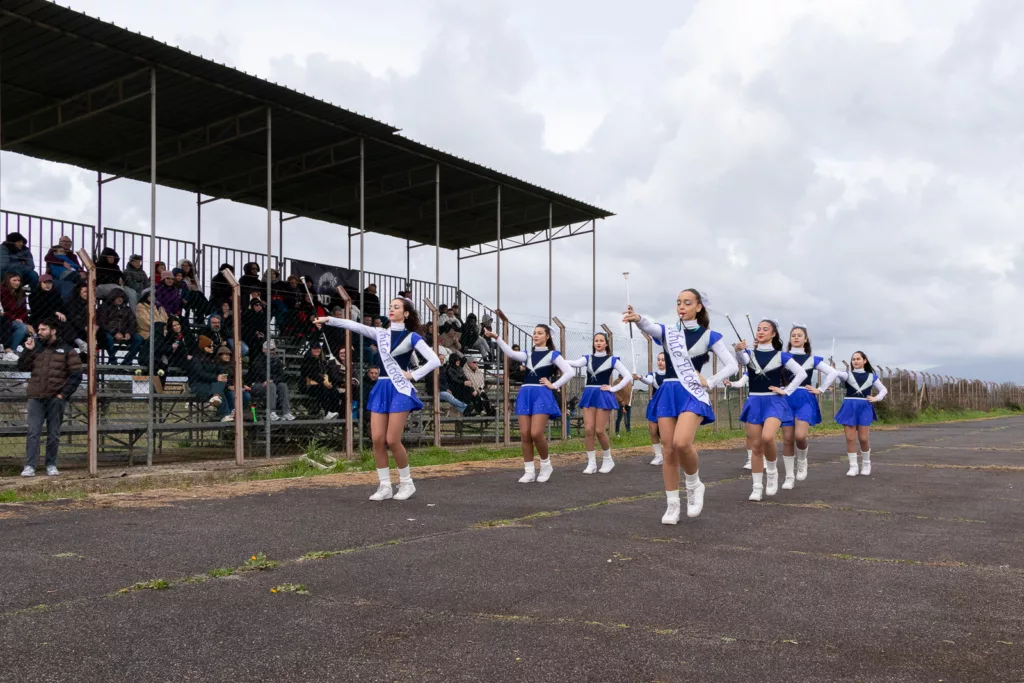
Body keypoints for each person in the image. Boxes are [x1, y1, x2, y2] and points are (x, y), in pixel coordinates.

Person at [624, 288, 738, 523]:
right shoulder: (670, 332)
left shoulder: (709, 336)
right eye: (678, 303)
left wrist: (710, 381)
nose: (681, 307)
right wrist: (639, 319)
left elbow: (732, 365)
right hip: (668, 392)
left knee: (682, 443)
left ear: (698, 307)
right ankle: (672, 505)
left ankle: (694, 484)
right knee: (668, 450)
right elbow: (650, 327)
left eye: (687, 302)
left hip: (692, 393)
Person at [315, 297, 441, 501]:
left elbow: (435, 360)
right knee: (377, 439)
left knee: (392, 440)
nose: (391, 309)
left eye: (396, 307)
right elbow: (354, 325)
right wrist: (329, 319)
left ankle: (407, 483)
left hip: (399, 389)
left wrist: (413, 375)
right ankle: (385, 486)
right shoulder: (381, 333)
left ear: (406, 313)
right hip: (381, 387)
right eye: (390, 307)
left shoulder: (412, 337)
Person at [484, 323, 575, 483]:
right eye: (534, 332)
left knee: (536, 433)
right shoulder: (528, 354)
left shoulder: (553, 354)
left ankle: (546, 465)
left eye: (540, 333)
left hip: (542, 394)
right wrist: (496, 337)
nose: (536, 335)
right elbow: (511, 353)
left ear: (547, 336)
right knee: (525, 434)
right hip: (525, 393)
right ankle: (529, 471)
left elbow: (570, 371)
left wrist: (554, 385)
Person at [733, 320, 808, 501]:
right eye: (759, 329)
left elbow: (802, 373)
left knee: (767, 437)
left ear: (773, 334)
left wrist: (786, 390)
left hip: (774, 401)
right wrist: (738, 350)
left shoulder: (781, 356)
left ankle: (772, 471)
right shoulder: (750, 354)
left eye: (765, 329)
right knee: (756, 446)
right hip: (754, 400)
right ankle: (757, 487)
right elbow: (741, 360)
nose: (761, 331)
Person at [18, 319, 83, 476]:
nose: (39, 332)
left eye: (43, 329)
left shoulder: (67, 349)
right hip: (36, 396)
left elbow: (76, 375)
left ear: (53, 331)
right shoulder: (36, 347)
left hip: (55, 398)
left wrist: (62, 395)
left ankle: (51, 464)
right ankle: (30, 466)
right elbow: (22, 367)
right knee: (33, 432)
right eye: (39, 329)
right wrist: (27, 350)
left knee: (53, 433)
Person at [563, 332, 632, 475]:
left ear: (606, 343)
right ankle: (591, 463)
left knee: (600, 430)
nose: (598, 343)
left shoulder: (612, 360)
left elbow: (628, 376)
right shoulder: (587, 358)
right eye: (596, 341)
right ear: (593, 343)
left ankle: (608, 459)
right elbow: (575, 363)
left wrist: (613, 388)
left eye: (601, 341)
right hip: (589, 394)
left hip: (603, 395)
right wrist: (557, 360)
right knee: (589, 430)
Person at [780, 325, 839, 488]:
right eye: (793, 335)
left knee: (800, 436)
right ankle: (789, 476)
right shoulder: (782, 357)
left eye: (799, 335)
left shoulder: (812, 359)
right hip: (785, 398)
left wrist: (820, 389)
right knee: (787, 438)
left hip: (805, 398)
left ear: (805, 339)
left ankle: (802, 460)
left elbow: (833, 373)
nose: (796, 337)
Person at [834, 351, 888, 477]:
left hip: (864, 407)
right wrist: (833, 370)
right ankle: (853, 466)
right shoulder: (847, 375)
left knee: (863, 439)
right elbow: (838, 374)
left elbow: (883, 390)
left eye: (858, 359)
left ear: (864, 360)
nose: (855, 361)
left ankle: (866, 463)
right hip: (849, 407)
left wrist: (876, 398)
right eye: (853, 359)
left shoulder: (871, 376)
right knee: (850, 438)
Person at [247, 340, 295, 421]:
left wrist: (272, 380)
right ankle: (270, 412)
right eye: (270, 349)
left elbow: (282, 376)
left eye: (273, 349)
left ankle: (286, 412)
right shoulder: (258, 360)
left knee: (282, 385)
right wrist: (271, 379)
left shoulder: (277, 360)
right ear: (264, 350)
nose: (272, 352)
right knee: (271, 385)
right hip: (256, 384)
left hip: (271, 383)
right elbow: (262, 375)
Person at [634, 352, 668, 466]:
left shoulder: (671, 375)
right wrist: (640, 377)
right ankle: (658, 456)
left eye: (663, 360)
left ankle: (670, 454)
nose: (660, 362)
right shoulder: (653, 374)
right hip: (655, 405)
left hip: (667, 405)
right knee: (653, 431)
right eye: (658, 359)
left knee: (665, 433)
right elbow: (648, 381)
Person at [97, 287, 144, 365]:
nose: (120, 299)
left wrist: (129, 332)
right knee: (108, 338)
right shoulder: (104, 307)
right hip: (109, 332)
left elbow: (133, 322)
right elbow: (102, 323)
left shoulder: (127, 309)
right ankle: (113, 360)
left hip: (125, 333)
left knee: (138, 338)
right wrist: (115, 333)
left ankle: (127, 361)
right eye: (117, 297)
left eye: (122, 298)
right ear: (112, 297)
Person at [187, 336, 228, 415]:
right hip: (198, 384)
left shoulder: (213, 358)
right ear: (203, 347)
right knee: (220, 391)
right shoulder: (196, 359)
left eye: (213, 346)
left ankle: (218, 399)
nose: (212, 348)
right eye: (209, 346)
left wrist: (222, 375)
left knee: (223, 386)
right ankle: (225, 414)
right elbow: (200, 374)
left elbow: (220, 369)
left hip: (212, 383)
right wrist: (216, 377)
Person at [301, 342, 342, 420]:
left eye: (318, 348)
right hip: (309, 385)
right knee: (323, 388)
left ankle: (333, 411)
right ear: (310, 349)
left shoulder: (322, 360)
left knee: (334, 389)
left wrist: (327, 381)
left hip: (321, 383)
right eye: (314, 349)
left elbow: (326, 372)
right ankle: (327, 413)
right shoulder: (307, 360)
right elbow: (311, 374)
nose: (317, 350)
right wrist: (323, 381)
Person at [724, 371, 755, 469]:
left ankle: (766, 459)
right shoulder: (751, 369)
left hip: (768, 401)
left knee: (765, 435)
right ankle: (750, 459)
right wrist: (731, 383)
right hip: (753, 402)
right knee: (750, 434)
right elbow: (741, 383)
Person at [1, 272, 33, 359]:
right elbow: (3, 311)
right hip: (6, 319)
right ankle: (10, 351)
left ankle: (13, 352)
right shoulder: (2, 291)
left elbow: (24, 310)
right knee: (22, 327)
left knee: (27, 329)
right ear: (8, 280)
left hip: (17, 319)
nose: (17, 282)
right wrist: (15, 318)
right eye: (14, 280)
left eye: (18, 280)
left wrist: (21, 319)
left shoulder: (21, 293)